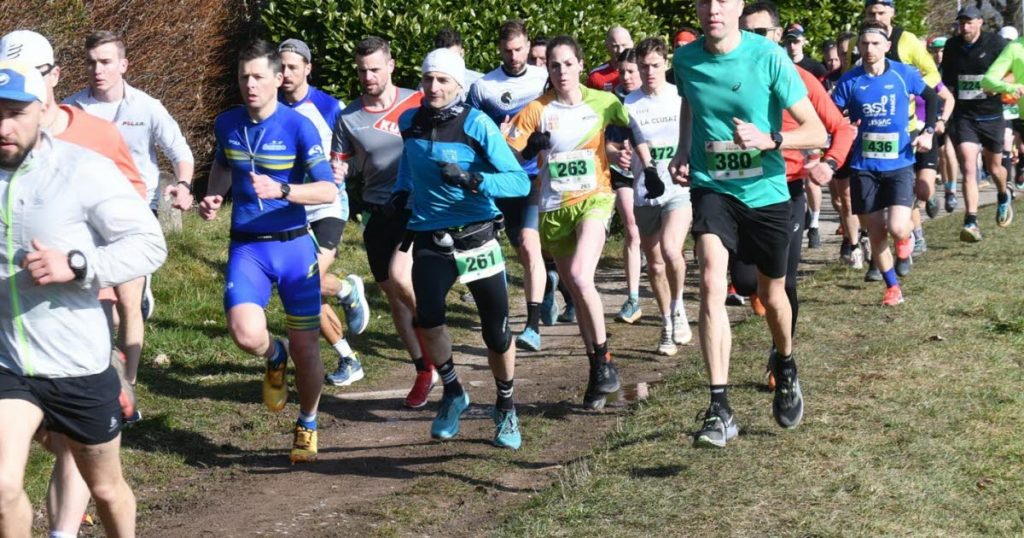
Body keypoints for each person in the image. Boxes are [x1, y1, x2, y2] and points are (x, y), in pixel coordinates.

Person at [0, 60, 167, 537]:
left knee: (108, 488)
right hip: (10, 363)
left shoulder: (81, 170)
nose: (3, 127)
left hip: (78, 366)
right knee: (2, 484)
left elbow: (149, 244)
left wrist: (77, 265)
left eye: (14, 113)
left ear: (41, 110)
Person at [669, 0, 827, 448]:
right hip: (712, 187)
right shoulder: (685, 57)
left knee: (773, 294)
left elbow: (817, 131)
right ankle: (719, 408)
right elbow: (690, 104)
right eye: (705, 1)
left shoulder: (768, 56)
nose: (713, 8)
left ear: (738, 6)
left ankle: (787, 361)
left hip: (767, 193)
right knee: (713, 283)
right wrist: (683, 149)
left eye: (723, 0)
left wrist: (771, 138)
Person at [199, 40, 338, 463]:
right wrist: (213, 196)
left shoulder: (299, 126)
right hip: (247, 247)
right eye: (244, 77)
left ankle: (308, 421)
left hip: (294, 246)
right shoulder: (227, 123)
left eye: (258, 76)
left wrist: (283, 189)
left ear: (279, 78)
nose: (250, 85)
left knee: (307, 348)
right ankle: (272, 355)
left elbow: (328, 188)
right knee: (245, 333)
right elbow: (225, 165)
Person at [394, 48, 530, 448]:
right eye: (427, 79)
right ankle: (453, 392)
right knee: (430, 318)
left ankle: (505, 406)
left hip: (476, 236)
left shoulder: (478, 124)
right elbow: (409, 162)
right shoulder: (408, 121)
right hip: (430, 237)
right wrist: (401, 193)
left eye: (442, 81)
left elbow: (518, 183)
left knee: (496, 332)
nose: (433, 87)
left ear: (459, 86)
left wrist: (472, 180)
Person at [64, 30, 195, 399]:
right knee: (105, 311)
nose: (97, 69)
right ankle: (106, 377)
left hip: (137, 214)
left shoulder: (146, 107)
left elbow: (180, 152)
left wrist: (183, 186)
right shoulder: (71, 109)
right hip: (89, 220)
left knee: (126, 302)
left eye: (105, 62)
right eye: (91, 62)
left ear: (123, 65)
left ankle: (127, 389)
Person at [507, 35, 630, 409]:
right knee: (577, 291)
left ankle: (605, 359)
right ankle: (598, 369)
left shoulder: (606, 102)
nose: (561, 71)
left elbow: (624, 139)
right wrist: (530, 149)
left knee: (578, 276)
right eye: (554, 65)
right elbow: (508, 155)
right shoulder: (536, 110)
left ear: (580, 65)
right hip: (553, 208)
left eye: (568, 63)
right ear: (548, 69)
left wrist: (623, 157)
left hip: (595, 198)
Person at [736, 1, 854, 387]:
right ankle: (758, 293)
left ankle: (780, 355)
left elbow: (841, 129)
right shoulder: (729, 75)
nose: (753, 41)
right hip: (738, 190)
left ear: (777, 37)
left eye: (761, 33)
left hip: (785, 191)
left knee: (785, 283)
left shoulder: (800, 78)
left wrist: (830, 164)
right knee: (745, 280)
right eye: (746, 32)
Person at [332, 36, 439, 408]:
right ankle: (424, 368)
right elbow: (342, 164)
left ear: (391, 66)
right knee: (395, 300)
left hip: (416, 209)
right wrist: (337, 171)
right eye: (362, 71)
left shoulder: (417, 102)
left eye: (375, 69)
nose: (368, 77)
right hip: (378, 214)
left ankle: (435, 336)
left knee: (400, 276)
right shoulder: (348, 117)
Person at [276, 38, 370, 386]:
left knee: (303, 282)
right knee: (301, 285)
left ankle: (348, 356)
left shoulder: (330, 107)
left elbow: (359, 149)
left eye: (292, 67)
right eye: (281, 67)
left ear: (308, 69)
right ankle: (346, 295)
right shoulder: (270, 108)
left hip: (328, 205)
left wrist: (345, 167)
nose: (285, 74)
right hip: (290, 209)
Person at [832, 21, 938, 305]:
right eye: (864, 44)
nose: (869, 49)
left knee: (898, 227)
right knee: (876, 231)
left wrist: (928, 132)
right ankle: (892, 288)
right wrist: (841, 127)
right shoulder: (850, 81)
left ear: (887, 46)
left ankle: (905, 242)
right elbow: (832, 115)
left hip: (900, 163)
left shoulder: (904, 74)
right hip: (863, 167)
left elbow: (932, 98)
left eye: (875, 43)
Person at [468, 20, 552, 351]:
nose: (514, 55)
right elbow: (469, 131)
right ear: (499, 50)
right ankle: (546, 286)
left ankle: (531, 326)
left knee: (530, 245)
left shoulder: (542, 78)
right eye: (507, 50)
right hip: (498, 179)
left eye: (519, 49)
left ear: (529, 46)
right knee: (516, 246)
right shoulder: (484, 86)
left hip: (534, 175)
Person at [623, 37, 694, 356]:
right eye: (643, 66)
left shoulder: (681, 97)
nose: (649, 71)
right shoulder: (628, 103)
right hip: (644, 193)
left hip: (678, 188)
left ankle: (679, 308)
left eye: (654, 65)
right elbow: (612, 144)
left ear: (666, 64)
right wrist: (616, 157)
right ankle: (666, 322)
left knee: (671, 250)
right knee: (653, 264)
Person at [943, 6, 1013, 241]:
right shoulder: (952, 47)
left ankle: (1004, 194)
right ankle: (971, 221)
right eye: (961, 23)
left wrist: (1001, 85)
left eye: (969, 22)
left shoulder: (997, 44)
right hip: (965, 116)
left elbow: (1013, 71)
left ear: (980, 22)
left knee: (994, 168)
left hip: (991, 114)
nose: (965, 27)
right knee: (969, 167)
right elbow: (949, 82)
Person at [608, 48, 645, 324]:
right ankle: (633, 298)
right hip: (623, 173)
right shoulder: (614, 102)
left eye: (632, 71)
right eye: (622, 72)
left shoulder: (658, 100)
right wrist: (616, 153)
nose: (627, 76)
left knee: (661, 242)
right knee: (632, 228)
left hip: (656, 173)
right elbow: (607, 142)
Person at [984, 27, 1024, 190]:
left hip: (1013, 111)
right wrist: (1011, 87)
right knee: (1008, 141)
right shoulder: (1014, 48)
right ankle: (1009, 183)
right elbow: (987, 82)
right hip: (1007, 109)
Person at [434, 28, 484, 97]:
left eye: (454, 57)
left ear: (462, 53)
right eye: (444, 57)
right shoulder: (431, 82)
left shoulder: (480, 83)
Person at [587, 26, 633, 91]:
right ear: (607, 46)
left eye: (624, 45)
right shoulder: (596, 76)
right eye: (615, 46)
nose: (620, 50)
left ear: (632, 44)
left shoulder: (644, 70)